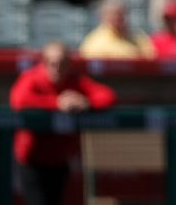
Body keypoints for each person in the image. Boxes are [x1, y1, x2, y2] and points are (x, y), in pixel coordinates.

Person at [10, 41, 116, 205]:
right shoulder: (32, 77)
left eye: (62, 63)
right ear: (44, 63)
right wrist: (56, 103)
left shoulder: (75, 81)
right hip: (32, 159)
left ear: (68, 65)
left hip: (59, 160)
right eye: (52, 63)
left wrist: (86, 102)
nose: (57, 68)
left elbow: (108, 96)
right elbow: (19, 100)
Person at [79, 0, 155, 60]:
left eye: (121, 14)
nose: (118, 18)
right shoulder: (94, 42)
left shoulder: (138, 38)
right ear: (103, 16)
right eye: (113, 14)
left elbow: (151, 57)